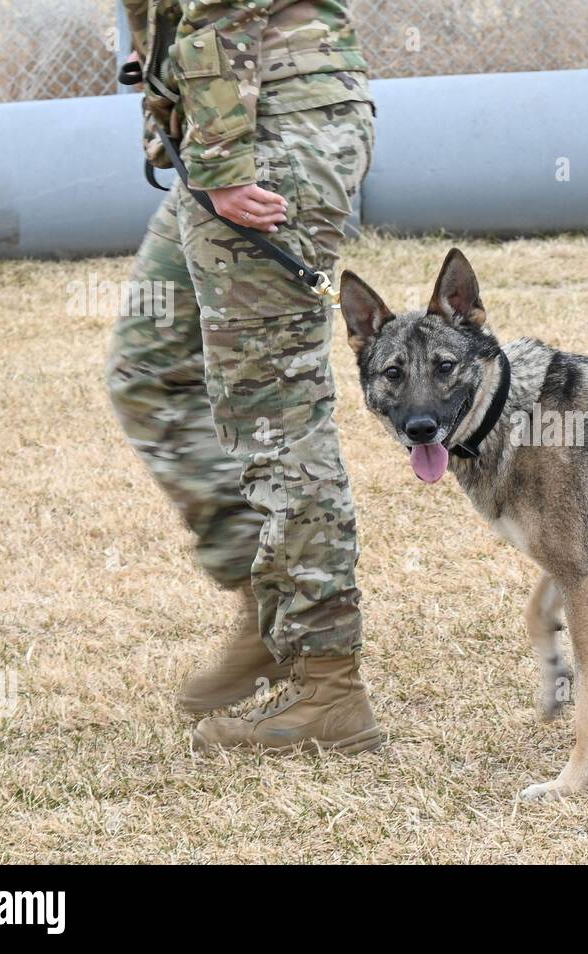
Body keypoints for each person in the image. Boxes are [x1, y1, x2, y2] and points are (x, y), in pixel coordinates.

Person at [107, 0, 382, 754]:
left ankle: (328, 684)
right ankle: (267, 610)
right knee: (150, 365)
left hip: (274, 131)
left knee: (274, 409)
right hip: (223, 129)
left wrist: (225, 161)